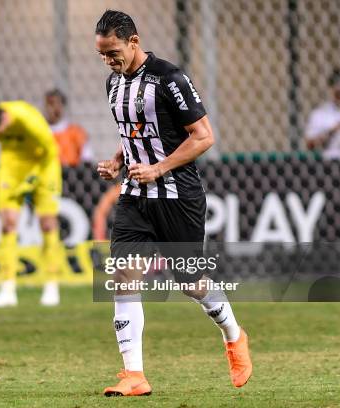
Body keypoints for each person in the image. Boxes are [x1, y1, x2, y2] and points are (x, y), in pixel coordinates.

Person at [94, 10, 252, 396]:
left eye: (113, 52)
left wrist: (159, 168)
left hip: (178, 197)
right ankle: (134, 375)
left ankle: (234, 335)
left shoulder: (170, 78)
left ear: (134, 41)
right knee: (123, 274)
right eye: (101, 54)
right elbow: (137, 129)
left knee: (190, 282)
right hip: (135, 197)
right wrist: (119, 159)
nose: (109, 61)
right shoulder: (114, 83)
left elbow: (203, 136)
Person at [0, 101, 64, 307]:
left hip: (43, 166)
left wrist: (32, 179)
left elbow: (51, 151)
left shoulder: (28, 119)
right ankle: (7, 288)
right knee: (7, 224)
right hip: (12, 168)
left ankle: (51, 285)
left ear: (5, 118)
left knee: (48, 223)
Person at [44, 89, 92, 166]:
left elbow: (87, 159)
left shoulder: (76, 132)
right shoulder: (41, 132)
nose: (54, 108)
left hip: (71, 173)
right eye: (51, 104)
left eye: (58, 104)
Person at [305, 69, 340, 159]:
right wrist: (332, 131)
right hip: (330, 162)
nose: (339, 90)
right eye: (334, 86)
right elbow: (310, 144)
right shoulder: (320, 114)